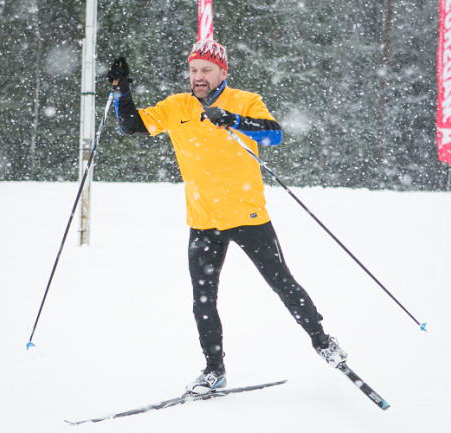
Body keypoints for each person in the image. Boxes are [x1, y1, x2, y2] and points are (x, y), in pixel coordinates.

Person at [106, 39, 347, 395]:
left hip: (248, 215)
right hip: (203, 218)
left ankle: (322, 340)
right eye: (193, 70)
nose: (198, 76)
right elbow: (131, 126)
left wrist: (234, 120)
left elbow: (274, 134)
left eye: (206, 70)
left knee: (282, 283)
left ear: (222, 72)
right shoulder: (177, 106)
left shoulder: (244, 100)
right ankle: (213, 369)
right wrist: (122, 93)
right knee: (203, 298)